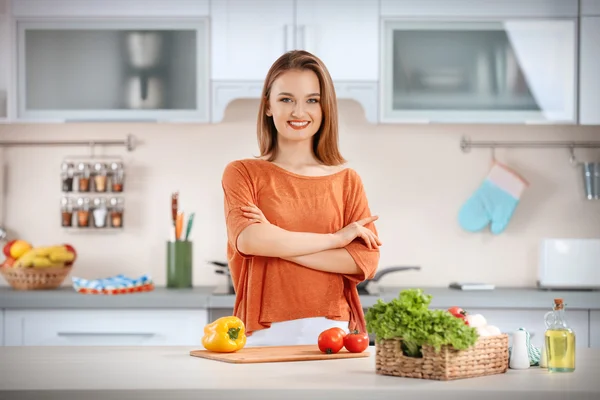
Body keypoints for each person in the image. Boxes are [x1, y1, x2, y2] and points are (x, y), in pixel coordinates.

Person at [221, 50, 381, 346]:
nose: (299, 112)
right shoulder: (242, 173)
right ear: (268, 106)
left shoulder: (347, 181)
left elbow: (364, 260)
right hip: (263, 336)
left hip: (336, 334)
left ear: (325, 108)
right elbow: (250, 240)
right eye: (286, 99)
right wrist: (336, 239)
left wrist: (276, 241)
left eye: (312, 100)